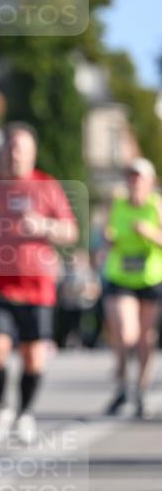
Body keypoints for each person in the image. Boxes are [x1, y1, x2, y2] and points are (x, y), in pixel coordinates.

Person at [0, 123, 78, 445]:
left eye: (21, 149)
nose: (15, 155)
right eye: (10, 148)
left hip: (37, 286)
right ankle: (3, 410)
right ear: (2, 151)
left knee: (33, 356)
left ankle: (24, 413)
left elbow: (70, 231)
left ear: (32, 153)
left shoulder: (46, 185)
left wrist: (44, 226)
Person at [101, 157, 162, 419]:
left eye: (139, 177)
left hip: (150, 278)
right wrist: (108, 239)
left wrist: (150, 233)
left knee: (145, 338)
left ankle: (141, 389)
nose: (134, 182)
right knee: (127, 334)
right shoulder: (117, 204)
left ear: (150, 181)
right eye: (131, 177)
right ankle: (123, 383)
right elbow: (106, 235)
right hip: (121, 277)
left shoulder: (156, 206)